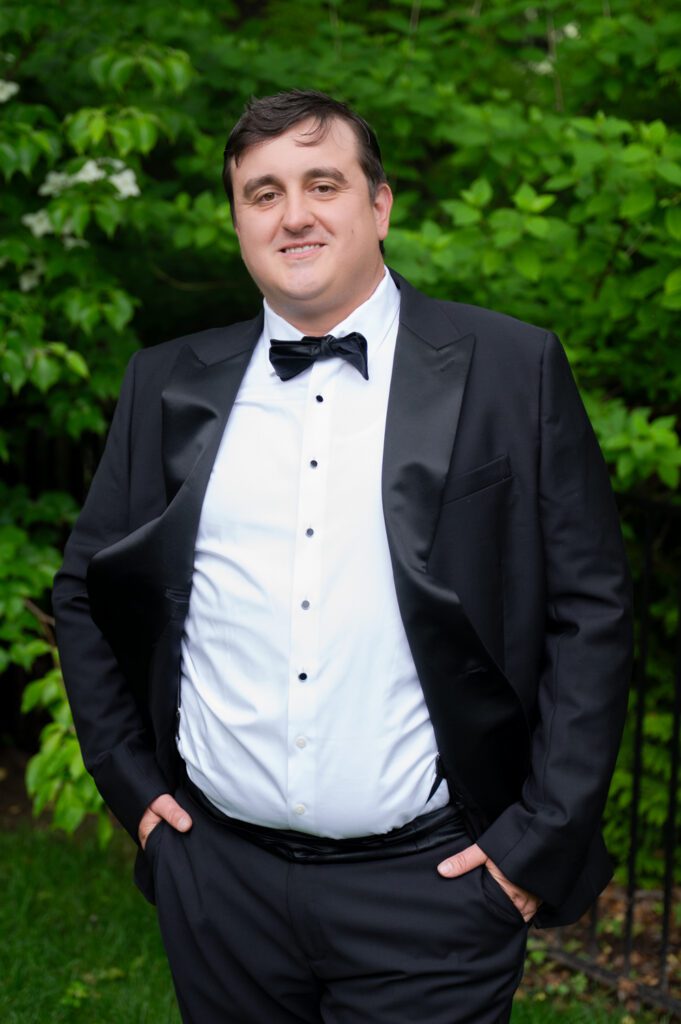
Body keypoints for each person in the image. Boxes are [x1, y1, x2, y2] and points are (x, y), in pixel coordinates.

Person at [53, 89, 633, 1024]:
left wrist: (533, 844)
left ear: (380, 204)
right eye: (263, 193)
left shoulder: (510, 368)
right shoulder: (165, 381)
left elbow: (589, 613)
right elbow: (85, 590)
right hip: (218, 884)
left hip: (435, 889)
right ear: (238, 220)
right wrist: (134, 788)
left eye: (322, 184)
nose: (294, 215)